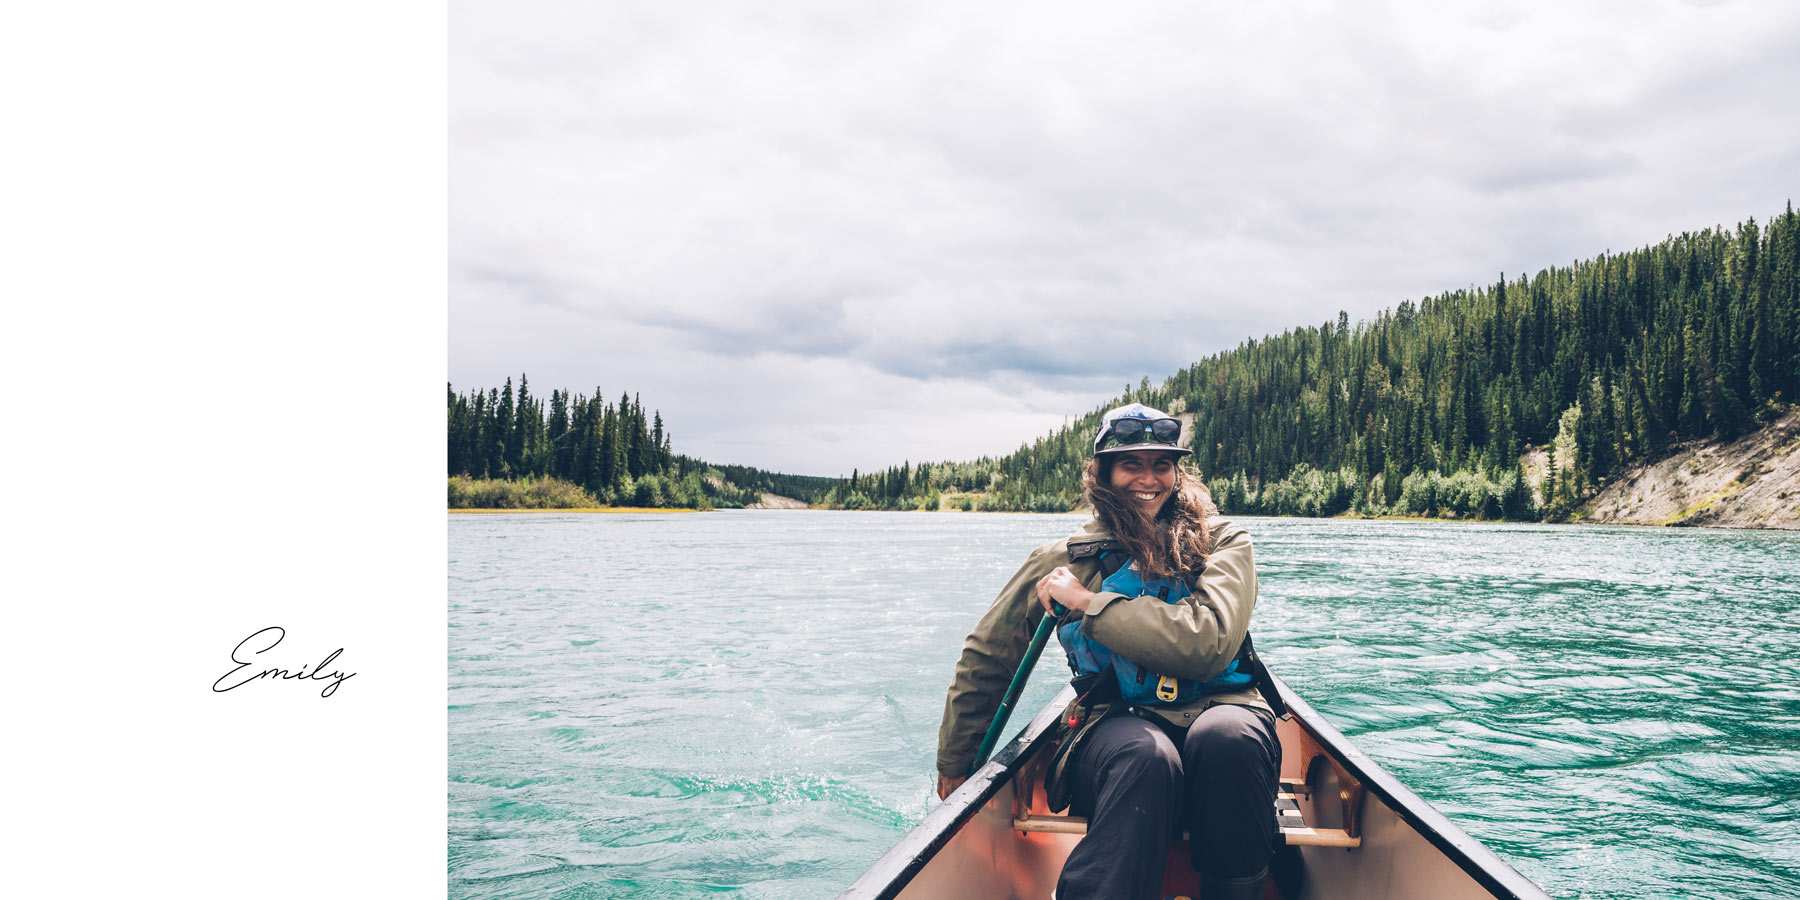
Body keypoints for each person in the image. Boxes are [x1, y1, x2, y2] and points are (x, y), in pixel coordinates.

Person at [934, 403, 1279, 900]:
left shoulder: (1224, 543)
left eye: (1162, 464)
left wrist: (1089, 604)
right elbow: (990, 656)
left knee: (1230, 739)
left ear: (1177, 473)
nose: (1149, 478)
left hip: (1224, 711)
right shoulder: (1061, 560)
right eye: (1131, 464)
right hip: (1114, 723)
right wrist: (956, 761)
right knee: (1146, 756)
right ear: (1104, 473)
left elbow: (1207, 644)